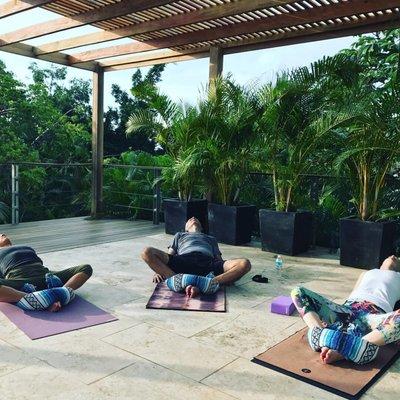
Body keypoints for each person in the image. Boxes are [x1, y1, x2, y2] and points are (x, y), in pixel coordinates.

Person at [291, 255, 400, 365]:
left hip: (373, 316)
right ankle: (324, 334)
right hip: (347, 309)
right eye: (390, 255)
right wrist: (334, 315)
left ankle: (339, 346)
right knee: (297, 292)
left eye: (397, 258)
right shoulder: (367, 273)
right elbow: (353, 293)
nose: (393, 256)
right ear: (380, 264)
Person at [141, 217, 251, 297]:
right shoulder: (179, 235)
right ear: (186, 228)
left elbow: (219, 260)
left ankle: (207, 283)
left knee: (245, 264)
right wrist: (159, 270)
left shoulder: (210, 238)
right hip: (183, 260)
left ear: (201, 227)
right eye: (189, 219)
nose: (193, 218)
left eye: (196, 218)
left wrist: (229, 274)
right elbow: (169, 255)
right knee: (146, 252)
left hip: (208, 262)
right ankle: (182, 280)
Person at [0, 233, 92, 312]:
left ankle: (57, 294)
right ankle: (33, 297)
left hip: (45, 277)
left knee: (85, 268)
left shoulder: (26, 247)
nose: (2, 234)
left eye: (3, 234)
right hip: (21, 281)